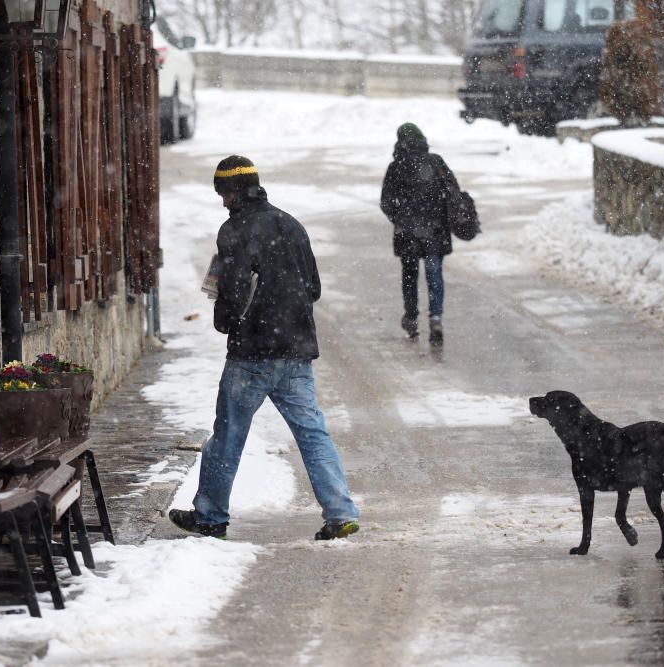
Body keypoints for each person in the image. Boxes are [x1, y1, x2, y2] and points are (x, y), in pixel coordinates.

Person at [169, 155, 360, 541]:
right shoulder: (291, 224)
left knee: (228, 436)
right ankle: (340, 513)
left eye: (222, 192)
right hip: (296, 351)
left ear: (233, 191)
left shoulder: (234, 230)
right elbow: (314, 288)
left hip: (251, 353)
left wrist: (225, 319)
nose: (222, 201)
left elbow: (234, 289)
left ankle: (210, 517)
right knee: (312, 434)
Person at [380, 122, 459, 346]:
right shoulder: (436, 162)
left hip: (408, 233)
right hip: (435, 230)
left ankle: (412, 318)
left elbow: (386, 202)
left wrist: (401, 219)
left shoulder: (396, 166)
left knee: (410, 276)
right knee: (434, 274)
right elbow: (453, 193)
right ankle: (435, 318)